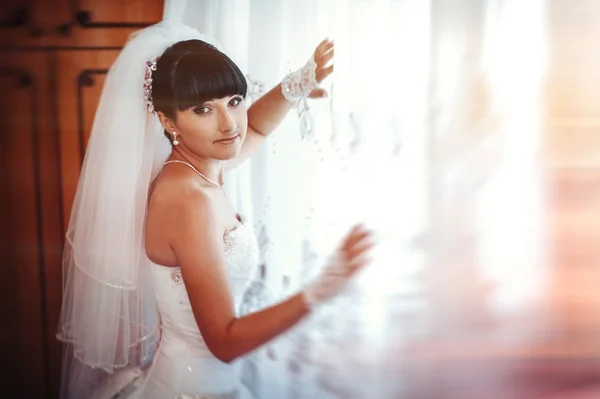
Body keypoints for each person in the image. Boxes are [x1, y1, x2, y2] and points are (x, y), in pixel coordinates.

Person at [57, 21, 374, 399]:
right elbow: (224, 341)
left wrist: (296, 84)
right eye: (203, 109)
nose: (228, 124)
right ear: (166, 120)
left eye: (234, 101)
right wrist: (320, 289)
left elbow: (253, 129)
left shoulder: (194, 168)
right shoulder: (190, 201)